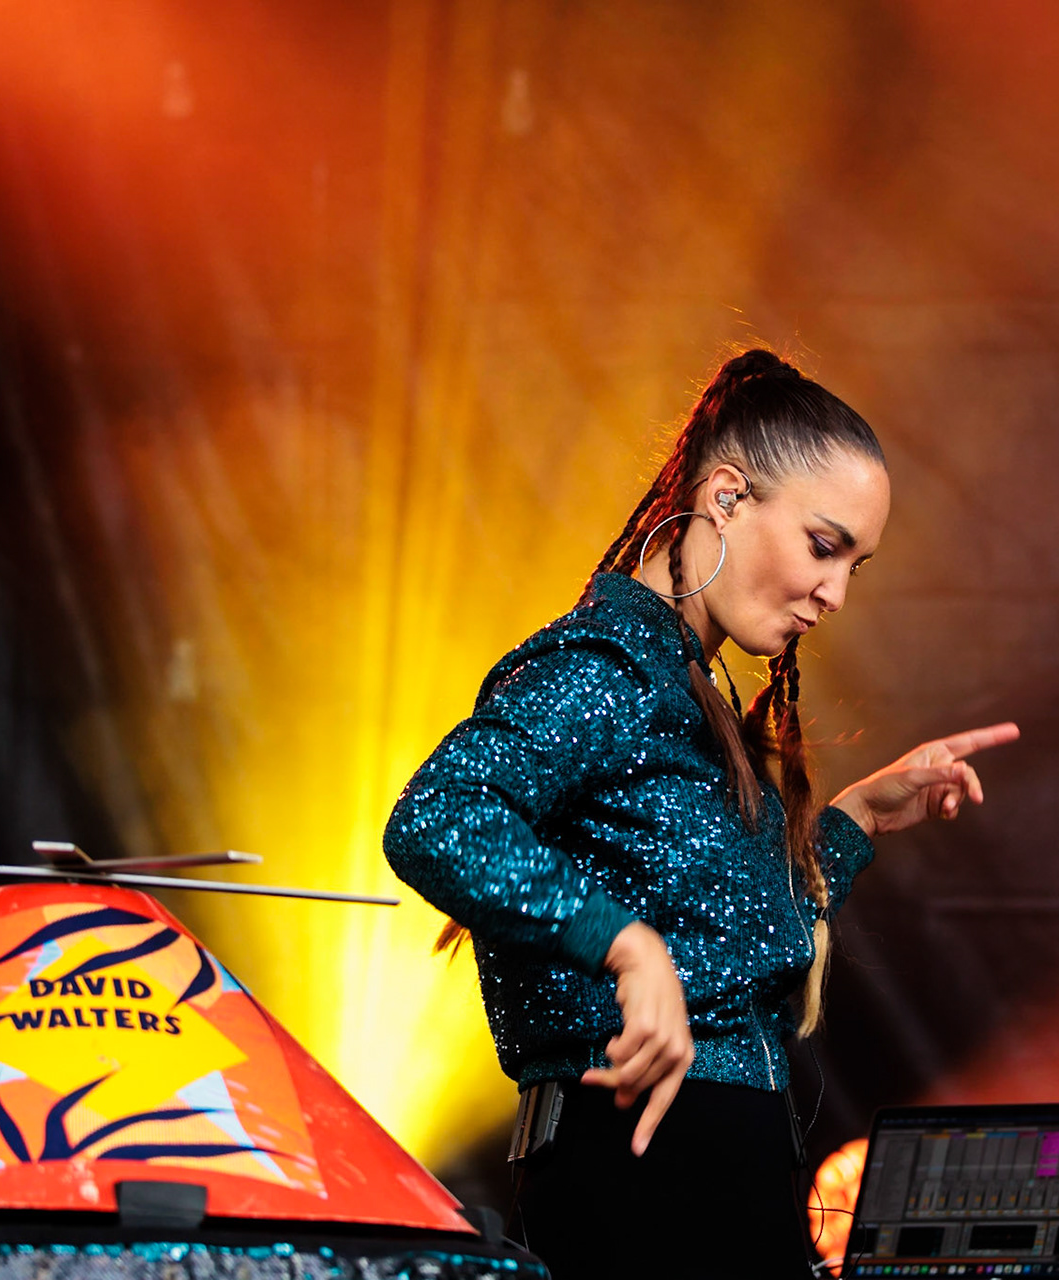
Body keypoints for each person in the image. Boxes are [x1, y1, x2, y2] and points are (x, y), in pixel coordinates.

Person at [382, 349, 1017, 1278]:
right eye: (823, 545)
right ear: (725, 498)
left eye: (857, 566)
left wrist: (857, 819)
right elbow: (436, 819)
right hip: (641, 1169)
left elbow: (735, 946)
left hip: (719, 1168)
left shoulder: (690, 690)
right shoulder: (602, 669)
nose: (836, 592)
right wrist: (625, 945)